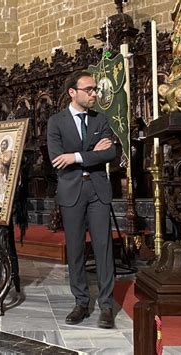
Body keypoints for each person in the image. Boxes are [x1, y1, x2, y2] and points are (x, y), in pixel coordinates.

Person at [47, 71, 116, 329]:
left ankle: (107, 305)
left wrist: (75, 156)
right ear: (72, 92)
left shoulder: (101, 119)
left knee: (103, 249)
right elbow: (57, 159)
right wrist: (90, 153)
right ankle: (81, 302)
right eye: (89, 89)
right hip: (72, 191)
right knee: (75, 250)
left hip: (98, 190)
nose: (95, 94)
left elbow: (110, 152)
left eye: (95, 89)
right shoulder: (56, 122)